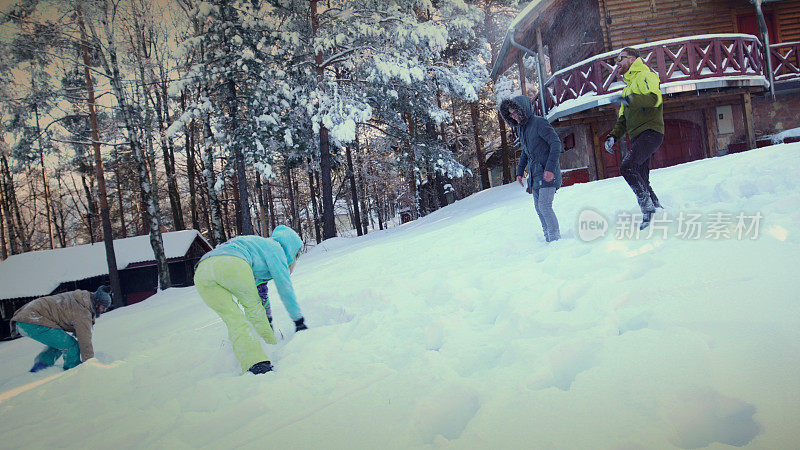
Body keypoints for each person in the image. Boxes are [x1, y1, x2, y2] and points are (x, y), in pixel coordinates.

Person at [194, 225, 306, 375]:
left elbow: (261, 292)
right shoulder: (276, 249)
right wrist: (298, 320)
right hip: (231, 261)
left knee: (233, 318)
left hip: (202, 271)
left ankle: (252, 362)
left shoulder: (258, 249)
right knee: (253, 308)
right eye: (297, 255)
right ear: (291, 249)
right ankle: (269, 350)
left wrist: (269, 319)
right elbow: (285, 287)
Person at [604, 47, 665, 229]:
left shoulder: (646, 75)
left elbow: (654, 99)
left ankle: (648, 209)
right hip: (637, 135)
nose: (618, 64)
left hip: (651, 131)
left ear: (632, 59)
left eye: (620, 59)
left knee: (627, 167)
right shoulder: (627, 89)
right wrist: (613, 136)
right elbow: (623, 119)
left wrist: (630, 100)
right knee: (641, 176)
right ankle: (657, 208)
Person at [500, 95, 562, 243]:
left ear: (523, 109)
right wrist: (520, 172)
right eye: (511, 114)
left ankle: (555, 240)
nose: (514, 116)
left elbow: (556, 144)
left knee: (544, 206)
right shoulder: (522, 129)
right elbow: (526, 153)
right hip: (535, 174)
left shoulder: (539, 123)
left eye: (515, 112)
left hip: (547, 172)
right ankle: (548, 239)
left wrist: (550, 169)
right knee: (539, 208)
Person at [11, 285, 112, 372]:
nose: (103, 310)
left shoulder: (81, 299)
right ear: (97, 303)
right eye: (103, 307)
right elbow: (85, 342)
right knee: (71, 346)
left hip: (25, 319)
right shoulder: (83, 311)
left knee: (61, 342)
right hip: (31, 320)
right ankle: (73, 372)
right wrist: (90, 364)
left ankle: (40, 368)